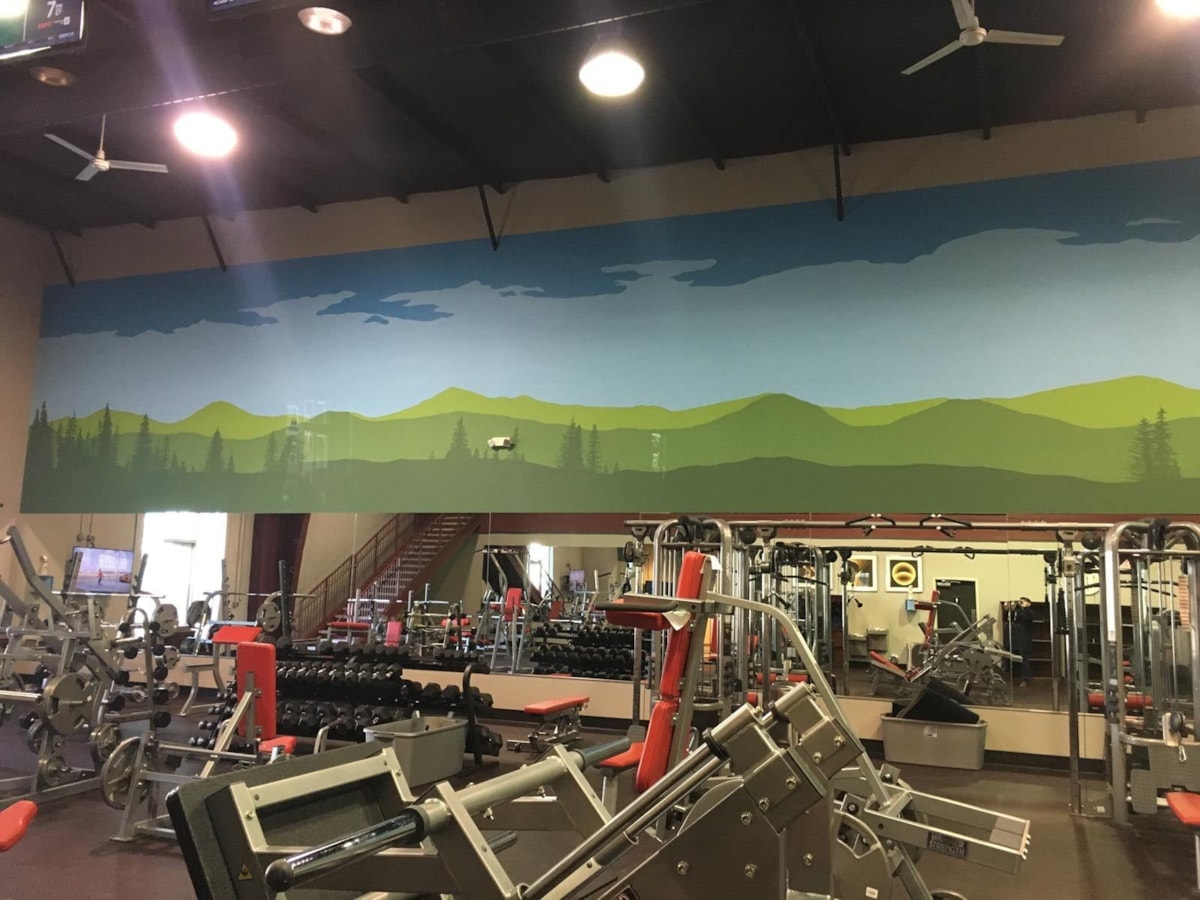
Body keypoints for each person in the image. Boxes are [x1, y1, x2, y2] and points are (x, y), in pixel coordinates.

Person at [1009, 597, 1035, 687]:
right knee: (1015, 659)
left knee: (1024, 659)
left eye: (1023, 602)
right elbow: (1012, 620)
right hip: (1016, 639)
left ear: (1029, 603)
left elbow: (1027, 618)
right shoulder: (1018, 611)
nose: (1021, 603)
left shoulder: (1029, 612)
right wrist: (1013, 608)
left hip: (1025, 640)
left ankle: (1025, 678)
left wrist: (1024, 607)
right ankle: (1015, 677)